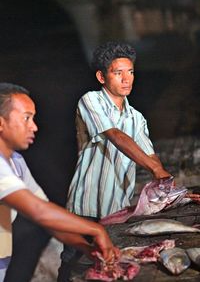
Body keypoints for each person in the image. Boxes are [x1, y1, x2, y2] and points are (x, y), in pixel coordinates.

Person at [58, 41, 172, 281]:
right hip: (85, 206)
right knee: (72, 265)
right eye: (117, 73)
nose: (126, 79)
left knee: (109, 267)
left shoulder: (136, 117)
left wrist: (165, 178)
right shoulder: (91, 101)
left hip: (116, 211)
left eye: (130, 72)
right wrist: (155, 170)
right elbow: (116, 136)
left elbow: (149, 153)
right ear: (101, 76)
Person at [0, 82, 119, 282]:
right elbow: (40, 212)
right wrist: (96, 229)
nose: (34, 127)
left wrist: (86, 248)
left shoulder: (16, 163)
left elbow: (47, 217)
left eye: (34, 118)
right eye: (26, 118)